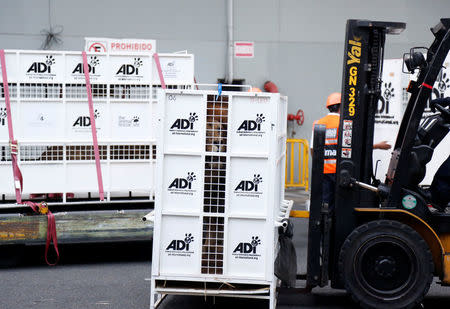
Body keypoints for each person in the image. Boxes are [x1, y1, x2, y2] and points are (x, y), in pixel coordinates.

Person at [310, 92, 391, 209]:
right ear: (341, 106)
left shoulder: (318, 123)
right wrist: (377, 146)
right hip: (341, 171)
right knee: (341, 204)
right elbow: (354, 146)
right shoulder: (344, 124)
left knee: (325, 203)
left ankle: (324, 223)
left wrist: (319, 165)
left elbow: (313, 149)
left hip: (324, 171)